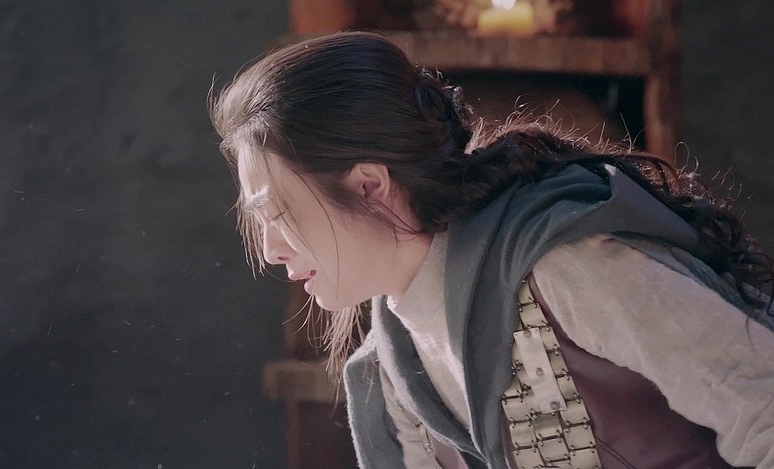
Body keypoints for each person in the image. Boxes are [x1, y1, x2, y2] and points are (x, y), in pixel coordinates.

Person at [210, 31, 774, 469]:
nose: (270, 249)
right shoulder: (393, 364)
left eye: (277, 213)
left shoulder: (567, 269)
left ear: (369, 186)